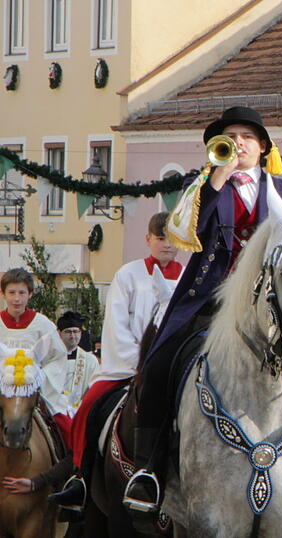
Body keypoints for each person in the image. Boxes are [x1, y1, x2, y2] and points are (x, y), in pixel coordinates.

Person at [123, 106, 282, 513]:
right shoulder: (202, 186)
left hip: (274, 303)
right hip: (210, 300)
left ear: (262, 147)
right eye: (230, 136)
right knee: (159, 365)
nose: (238, 142)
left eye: (247, 136)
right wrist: (216, 179)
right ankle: (148, 470)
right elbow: (182, 232)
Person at [48, 212, 182, 514]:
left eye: (173, 239)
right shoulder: (128, 275)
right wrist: (141, 366)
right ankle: (80, 479)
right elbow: (118, 327)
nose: (167, 245)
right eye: (161, 238)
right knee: (88, 408)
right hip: (129, 368)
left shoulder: (188, 278)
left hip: (173, 370)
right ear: (148, 239)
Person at [1, 312, 100, 506]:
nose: (73, 336)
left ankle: (76, 480)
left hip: (72, 407)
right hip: (31, 393)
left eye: (76, 332)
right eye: (68, 332)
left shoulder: (89, 360)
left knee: (79, 440)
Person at [0, 268, 59, 351]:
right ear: (3, 294)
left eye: (22, 293)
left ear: (30, 294)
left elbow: (56, 357)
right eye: (12, 292)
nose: (17, 298)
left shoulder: (43, 324)